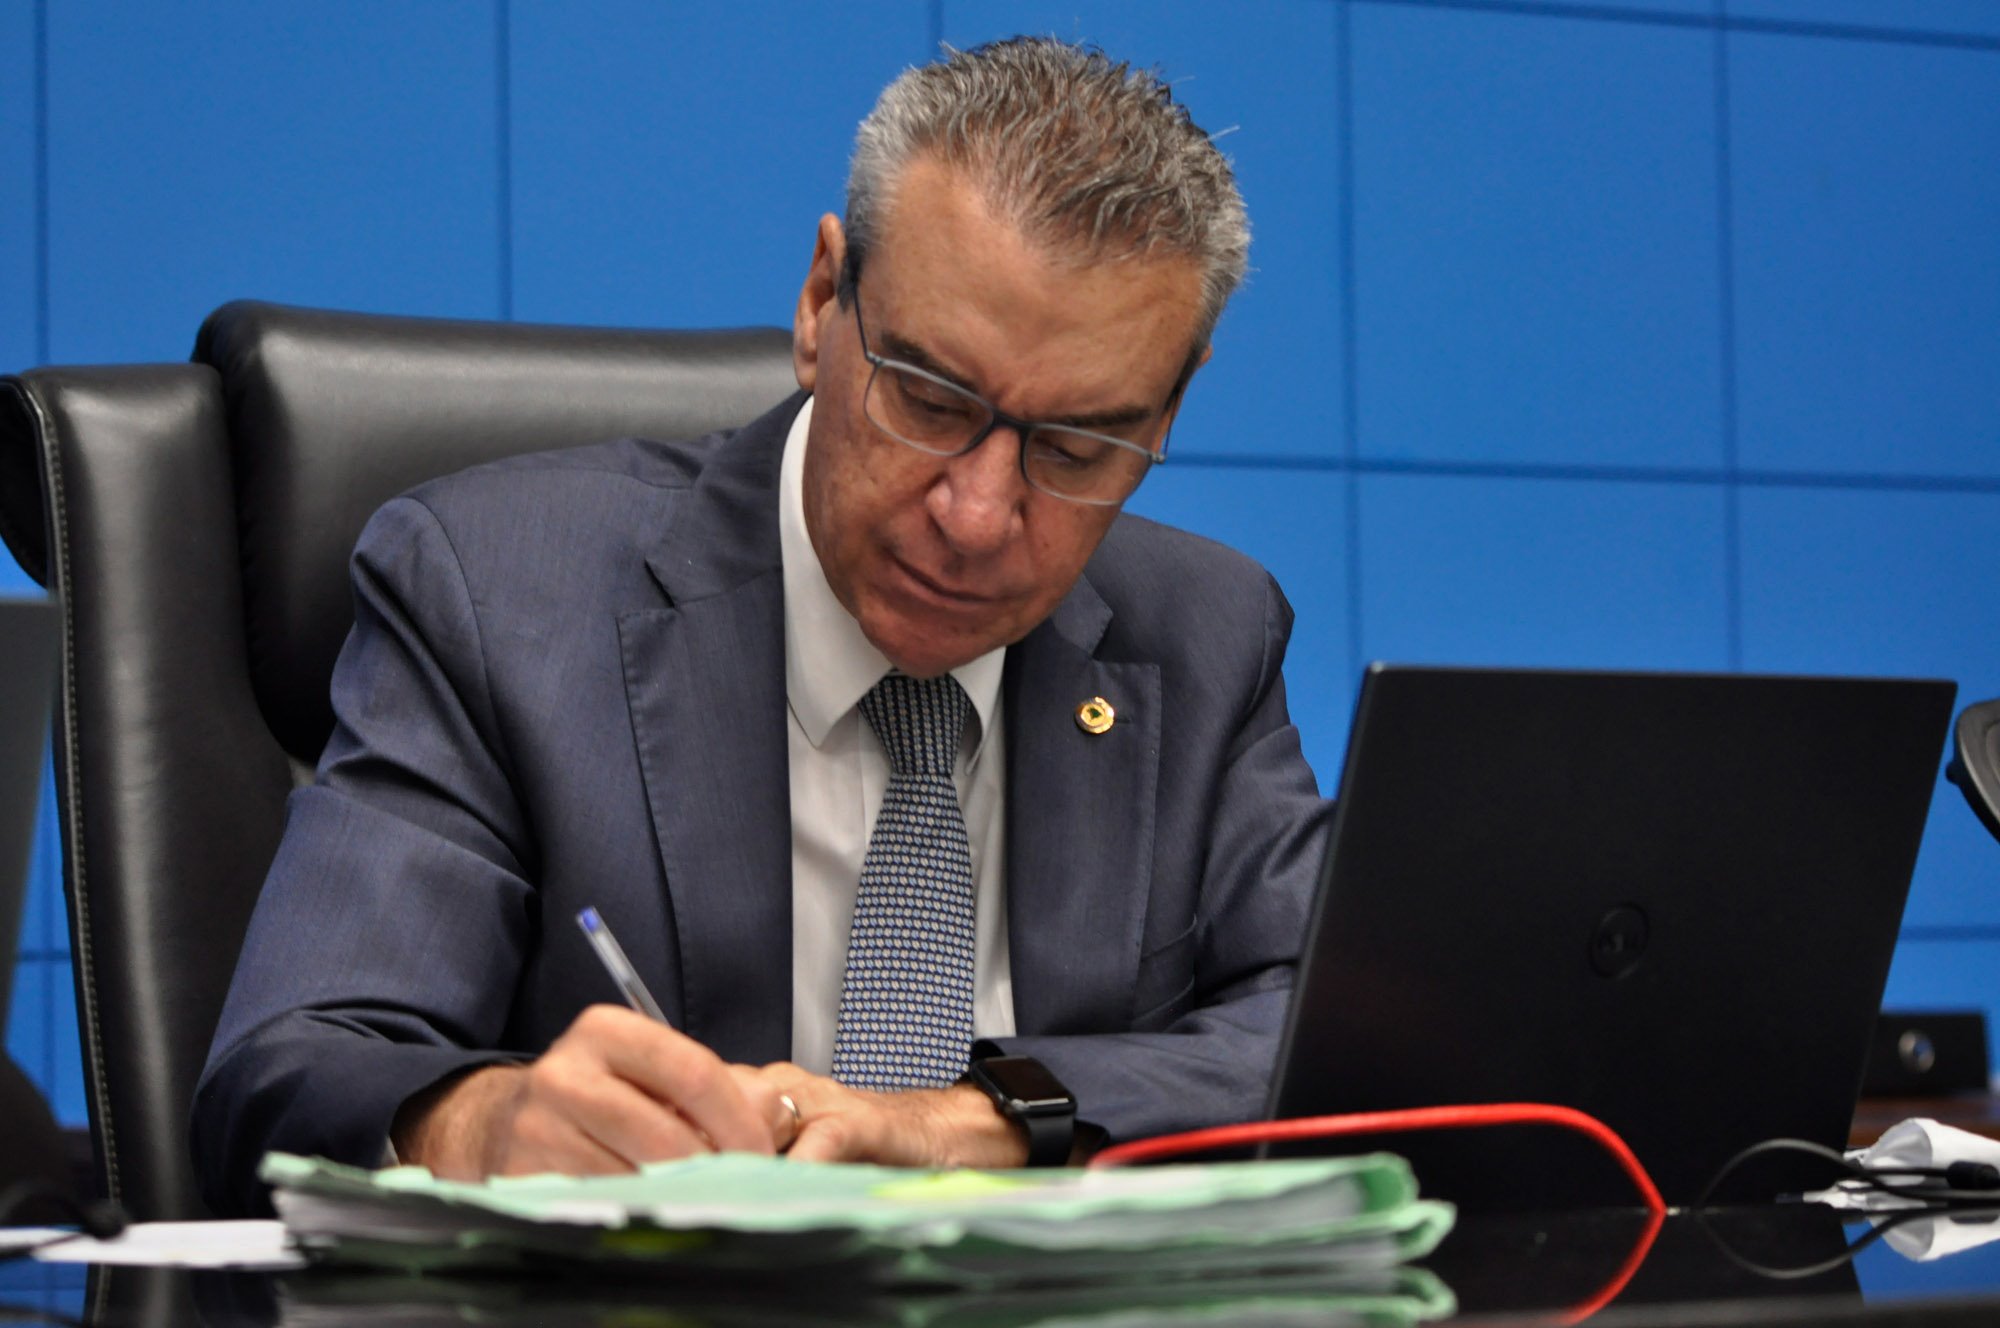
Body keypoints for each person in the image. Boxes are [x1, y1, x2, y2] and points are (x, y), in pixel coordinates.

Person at [193, 36, 1329, 1216]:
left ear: (1171, 405)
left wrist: (983, 1119)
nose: (978, 515)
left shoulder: (1205, 635)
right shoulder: (493, 594)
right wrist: (476, 1123)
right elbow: (293, 1065)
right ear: (821, 301)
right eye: (930, 399)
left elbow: (1325, 1039)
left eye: (1078, 447)